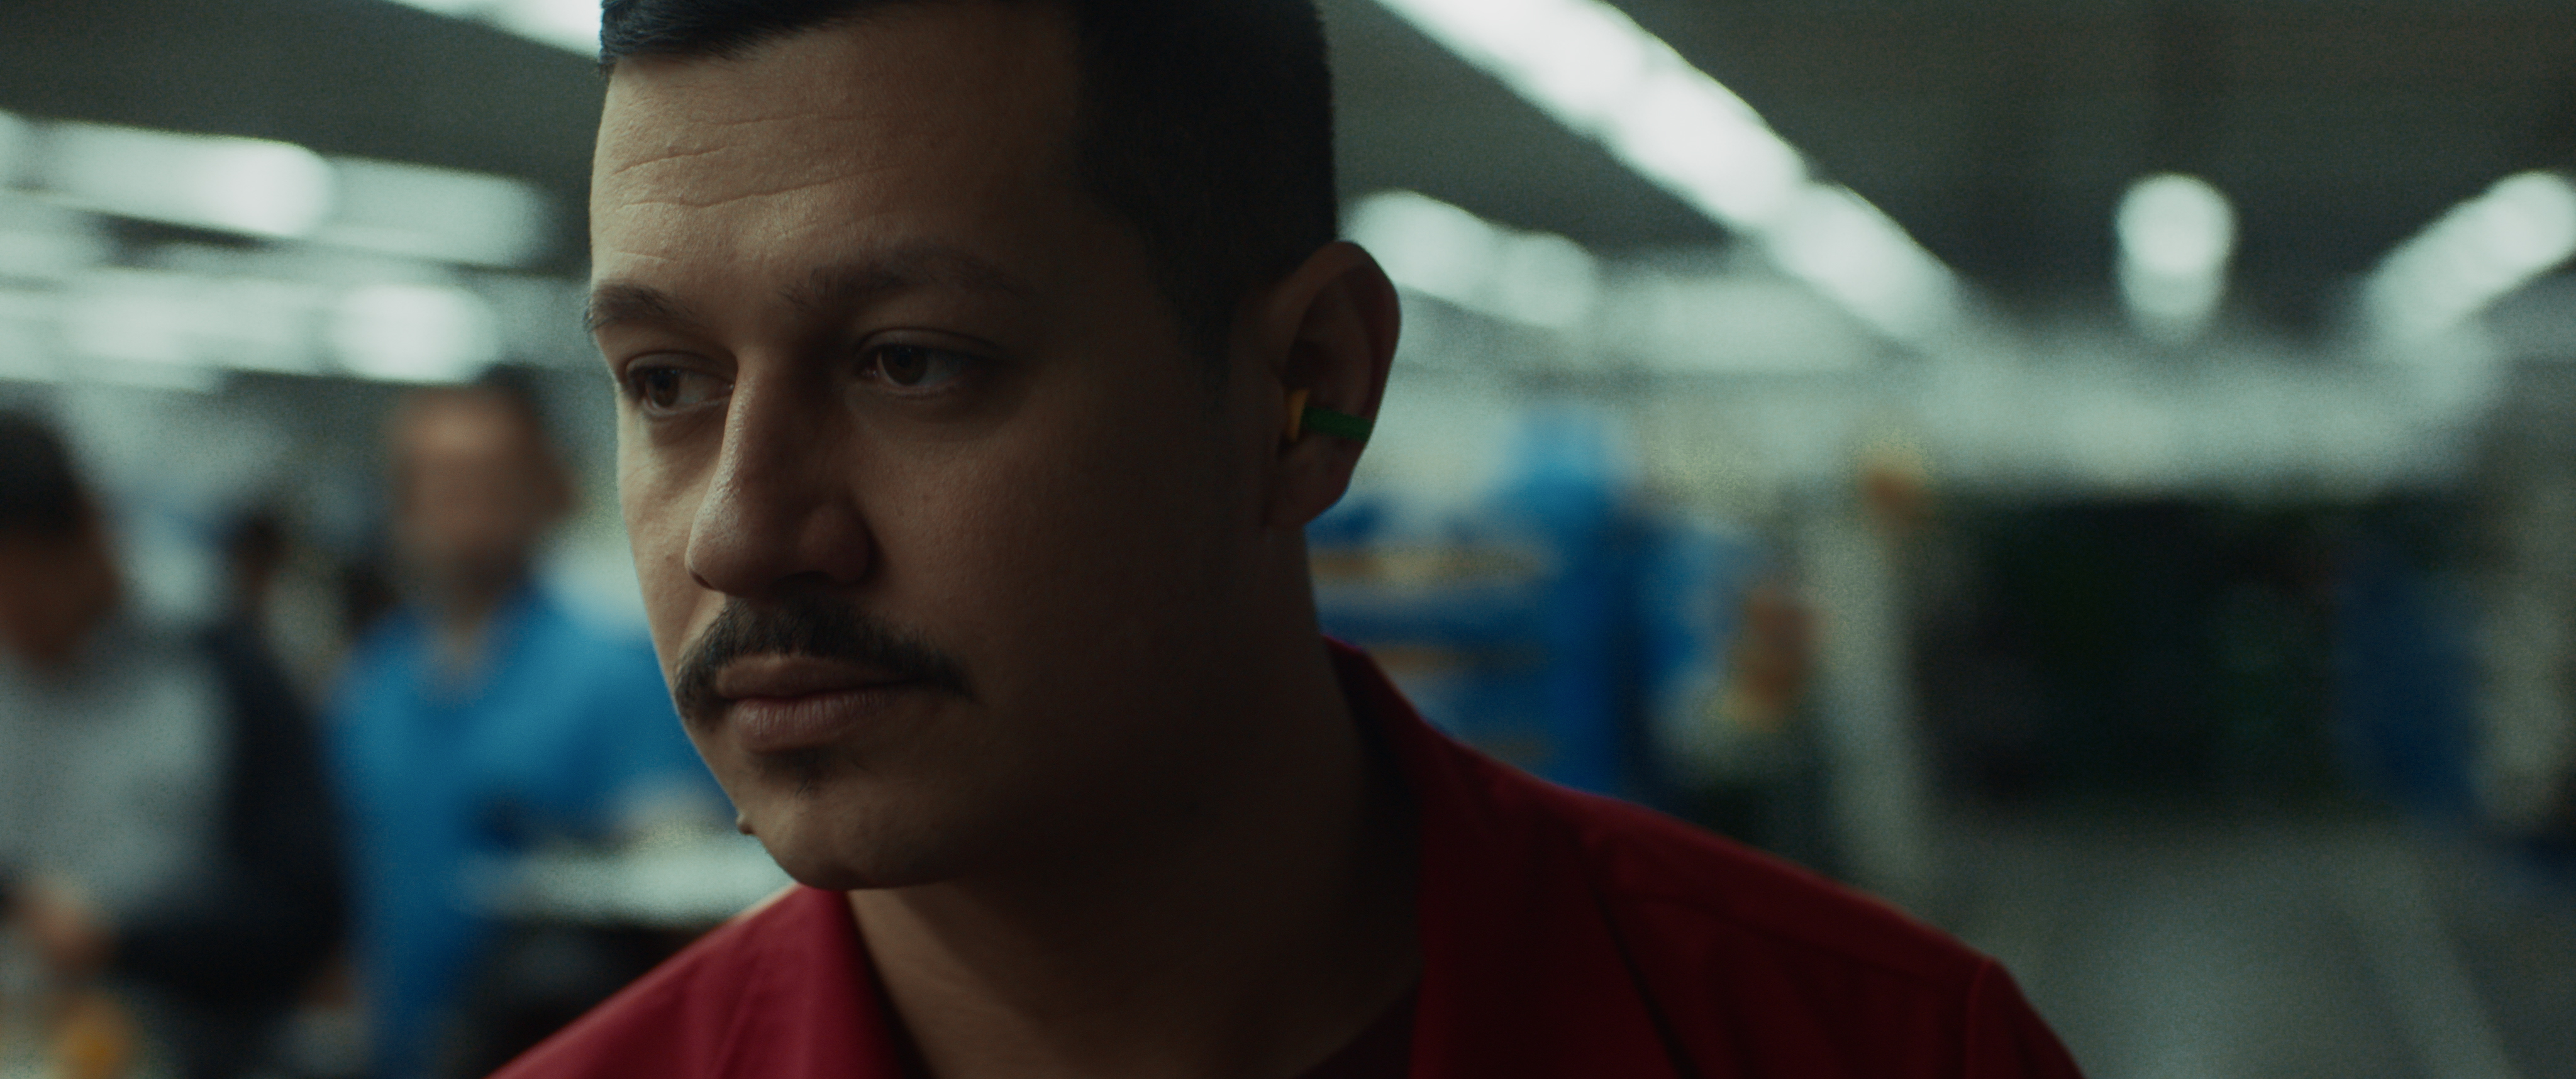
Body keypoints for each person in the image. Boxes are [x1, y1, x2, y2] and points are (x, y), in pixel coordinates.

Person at [501, 1, 2087, 1076]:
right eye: (665, 382)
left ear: (1305, 390)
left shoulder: (1878, 1049)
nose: (741, 533)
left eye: (911, 362)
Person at [328, 373, 713, 1079]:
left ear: (543, 488)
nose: (460, 503)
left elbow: (686, 906)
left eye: (488, 477)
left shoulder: (615, 677)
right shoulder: (372, 683)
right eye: (436, 478)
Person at [0, 411, 345, 1079]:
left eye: (29, 599)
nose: (16, 633)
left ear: (91, 531)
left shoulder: (223, 669)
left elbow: (303, 910)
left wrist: (122, 940)